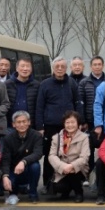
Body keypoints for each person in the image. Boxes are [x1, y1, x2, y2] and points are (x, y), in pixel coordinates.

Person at [35, 57, 83, 189]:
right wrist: (39, 126)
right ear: (53, 68)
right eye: (57, 66)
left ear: (66, 68)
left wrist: (80, 122)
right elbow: (39, 106)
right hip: (50, 126)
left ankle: (69, 183)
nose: (60, 69)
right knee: (50, 155)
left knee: (70, 154)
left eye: (62, 66)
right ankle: (47, 183)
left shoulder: (72, 83)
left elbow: (78, 103)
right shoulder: (45, 84)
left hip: (69, 127)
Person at [0, 110, 43, 205]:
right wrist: (5, 176)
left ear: (29, 122)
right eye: (18, 122)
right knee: (5, 183)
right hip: (13, 170)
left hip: (28, 169)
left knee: (35, 166)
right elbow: (6, 159)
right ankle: (13, 193)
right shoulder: (8, 138)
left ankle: (33, 193)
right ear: (13, 124)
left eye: (24, 121)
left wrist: (24, 161)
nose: (22, 124)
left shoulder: (36, 135)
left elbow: (38, 153)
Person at [48, 110, 90, 202]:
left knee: (72, 171)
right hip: (62, 169)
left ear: (78, 123)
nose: (70, 125)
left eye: (73, 122)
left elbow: (84, 157)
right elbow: (52, 156)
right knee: (58, 187)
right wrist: (63, 166)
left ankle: (79, 192)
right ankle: (67, 190)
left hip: (78, 169)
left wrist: (71, 166)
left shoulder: (84, 137)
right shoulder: (56, 138)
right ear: (64, 124)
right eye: (67, 122)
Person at [6, 57, 40, 130]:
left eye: (28, 66)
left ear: (31, 69)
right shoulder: (7, 84)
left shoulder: (37, 85)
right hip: (10, 126)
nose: (25, 69)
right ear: (17, 68)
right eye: (22, 66)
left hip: (30, 125)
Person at [79, 56, 105, 135]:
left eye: (99, 64)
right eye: (95, 65)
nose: (97, 67)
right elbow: (81, 103)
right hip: (89, 121)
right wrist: (83, 121)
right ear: (91, 67)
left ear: (103, 66)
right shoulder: (84, 82)